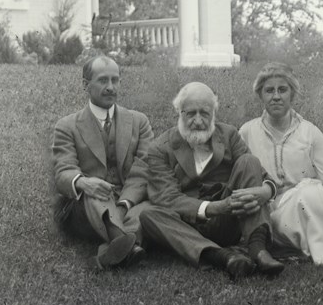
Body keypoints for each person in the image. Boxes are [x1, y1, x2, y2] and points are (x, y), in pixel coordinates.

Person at [140, 82, 284, 277]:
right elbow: (168, 198)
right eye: (191, 114)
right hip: (188, 227)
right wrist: (216, 207)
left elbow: (265, 177)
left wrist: (264, 192)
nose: (198, 121)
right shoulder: (160, 148)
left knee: (249, 161)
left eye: (205, 113)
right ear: (179, 113)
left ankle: (258, 249)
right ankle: (223, 257)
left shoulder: (229, 135)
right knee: (149, 214)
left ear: (214, 113)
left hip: (230, 219)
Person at [239, 62, 323, 264]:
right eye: (269, 90)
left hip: (308, 206)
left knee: (311, 193)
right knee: (309, 195)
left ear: (292, 94)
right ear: (260, 95)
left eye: (283, 90)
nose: (276, 96)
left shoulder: (309, 132)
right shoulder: (247, 131)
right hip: (269, 216)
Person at [52, 55, 154, 270]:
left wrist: (125, 202)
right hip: (88, 206)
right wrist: (83, 182)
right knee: (95, 194)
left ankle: (113, 252)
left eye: (115, 80)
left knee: (148, 209)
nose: (110, 87)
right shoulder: (67, 126)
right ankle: (128, 241)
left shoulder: (139, 121)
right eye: (102, 80)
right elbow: (63, 172)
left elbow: (146, 168)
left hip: (129, 200)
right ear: (85, 85)